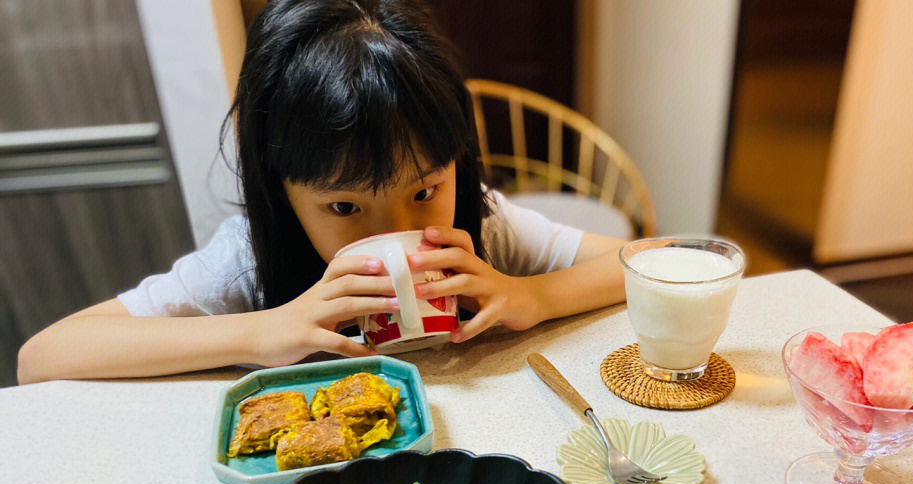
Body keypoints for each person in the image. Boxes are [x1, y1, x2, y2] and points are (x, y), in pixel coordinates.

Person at [17, 0, 627, 385]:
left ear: (457, 167)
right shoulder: (248, 261)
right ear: (282, 193)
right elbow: (45, 355)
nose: (392, 236)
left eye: (424, 190)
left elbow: (669, 262)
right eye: (343, 206)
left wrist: (529, 294)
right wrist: (266, 329)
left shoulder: (483, 229)